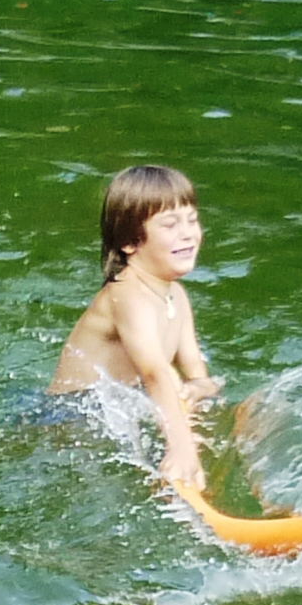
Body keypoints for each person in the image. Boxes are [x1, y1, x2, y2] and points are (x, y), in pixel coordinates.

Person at [49, 164, 219, 493]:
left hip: (118, 411)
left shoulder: (176, 295)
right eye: (170, 224)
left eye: (192, 219)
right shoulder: (126, 293)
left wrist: (198, 390)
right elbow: (155, 371)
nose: (188, 233)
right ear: (129, 242)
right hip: (66, 422)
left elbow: (198, 376)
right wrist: (181, 450)